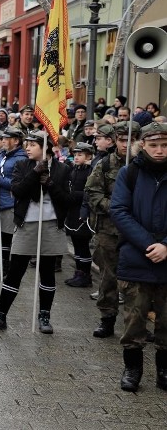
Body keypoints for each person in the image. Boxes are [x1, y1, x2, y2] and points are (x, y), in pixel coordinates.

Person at [0, 130, 71, 334]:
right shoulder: (22, 165)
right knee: (15, 271)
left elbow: (66, 200)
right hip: (26, 223)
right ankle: (0, 314)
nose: (27, 148)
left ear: (45, 146)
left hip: (51, 224)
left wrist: (50, 184)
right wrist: (36, 172)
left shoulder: (62, 169)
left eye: (32, 145)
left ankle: (44, 316)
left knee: (47, 272)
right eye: (26, 144)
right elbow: (18, 191)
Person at [110, 121, 167, 392]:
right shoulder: (129, 173)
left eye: (165, 145)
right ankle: (132, 368)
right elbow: (119, 211)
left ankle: (164, 370)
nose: (159, 150)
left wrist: (166, 245)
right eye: (153, 145)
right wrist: (149, 244)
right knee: (134, 319)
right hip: (137, 258)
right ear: (142, 145)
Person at [86, 121, 140, 338]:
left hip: (139, 232)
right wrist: (116, 208)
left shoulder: (146, 165)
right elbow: (92, 193)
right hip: (110, 230)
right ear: (115, 140)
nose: (126, 144)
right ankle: (107, 318)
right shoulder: (105, 164)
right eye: (122, 140)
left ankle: (138, 322)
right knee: (109, 277)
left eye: (132, 140)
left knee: (139, 281)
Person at [0, 129, 27, 280]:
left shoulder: (21, 158)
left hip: (11, 203)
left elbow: (20, 184)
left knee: (11, 237)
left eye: (6, 138)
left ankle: (10, 269)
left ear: (16, 141)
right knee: (2, 237)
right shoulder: (1, 155)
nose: (2, 140)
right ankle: (2, 266)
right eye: (2, 138)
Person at [63, 143, 95, 288]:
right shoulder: (74, 169)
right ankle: (79, 272)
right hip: (72, 211)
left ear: (88, 157)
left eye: (80, 155)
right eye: (75, 154)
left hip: (82, 212)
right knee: (76, 244)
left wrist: (73, 194)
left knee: (83, 245)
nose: (76, 157)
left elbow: (90, 192)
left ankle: (85, 274)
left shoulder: (90, 171)